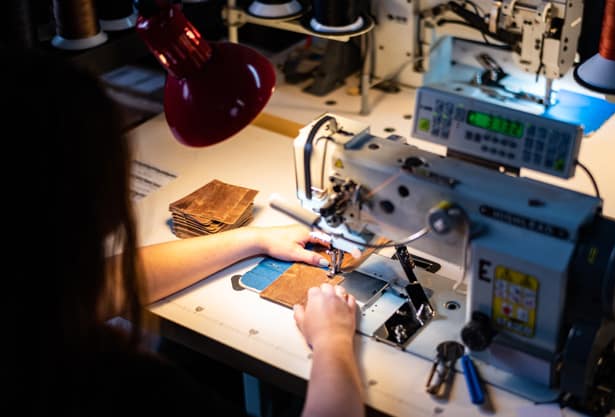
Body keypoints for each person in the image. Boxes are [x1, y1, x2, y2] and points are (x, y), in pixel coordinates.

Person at [6, 46, 364, 417]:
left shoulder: (34, 307)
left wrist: (253, 238)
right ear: (106, 205)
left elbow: (105, 283)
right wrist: (332, 343)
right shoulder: (119, 388)